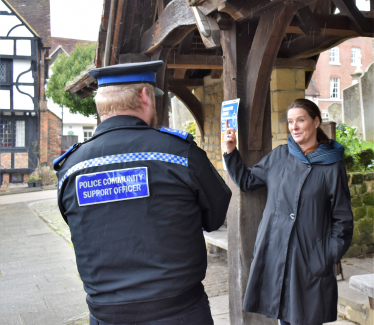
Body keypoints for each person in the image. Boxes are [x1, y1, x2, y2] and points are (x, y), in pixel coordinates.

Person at [54, 60, 232, 325]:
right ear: (146, 97)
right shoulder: (180, 154)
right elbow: (215, 217)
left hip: (107, 316)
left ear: (100, 105)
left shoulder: (70, 168)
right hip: (179, 313)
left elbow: (76, 223)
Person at [224, 98, 353, 325]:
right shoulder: (280, 156)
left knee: (306, 319)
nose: (294, 126)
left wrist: (326, 257)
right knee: (284, 318)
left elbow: (343, 219)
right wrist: (231, 151)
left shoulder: (332, 166)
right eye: (291, 121)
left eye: (300, 120)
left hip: (308, 260)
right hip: (276, 254)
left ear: (315, 122)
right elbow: (247, 181)